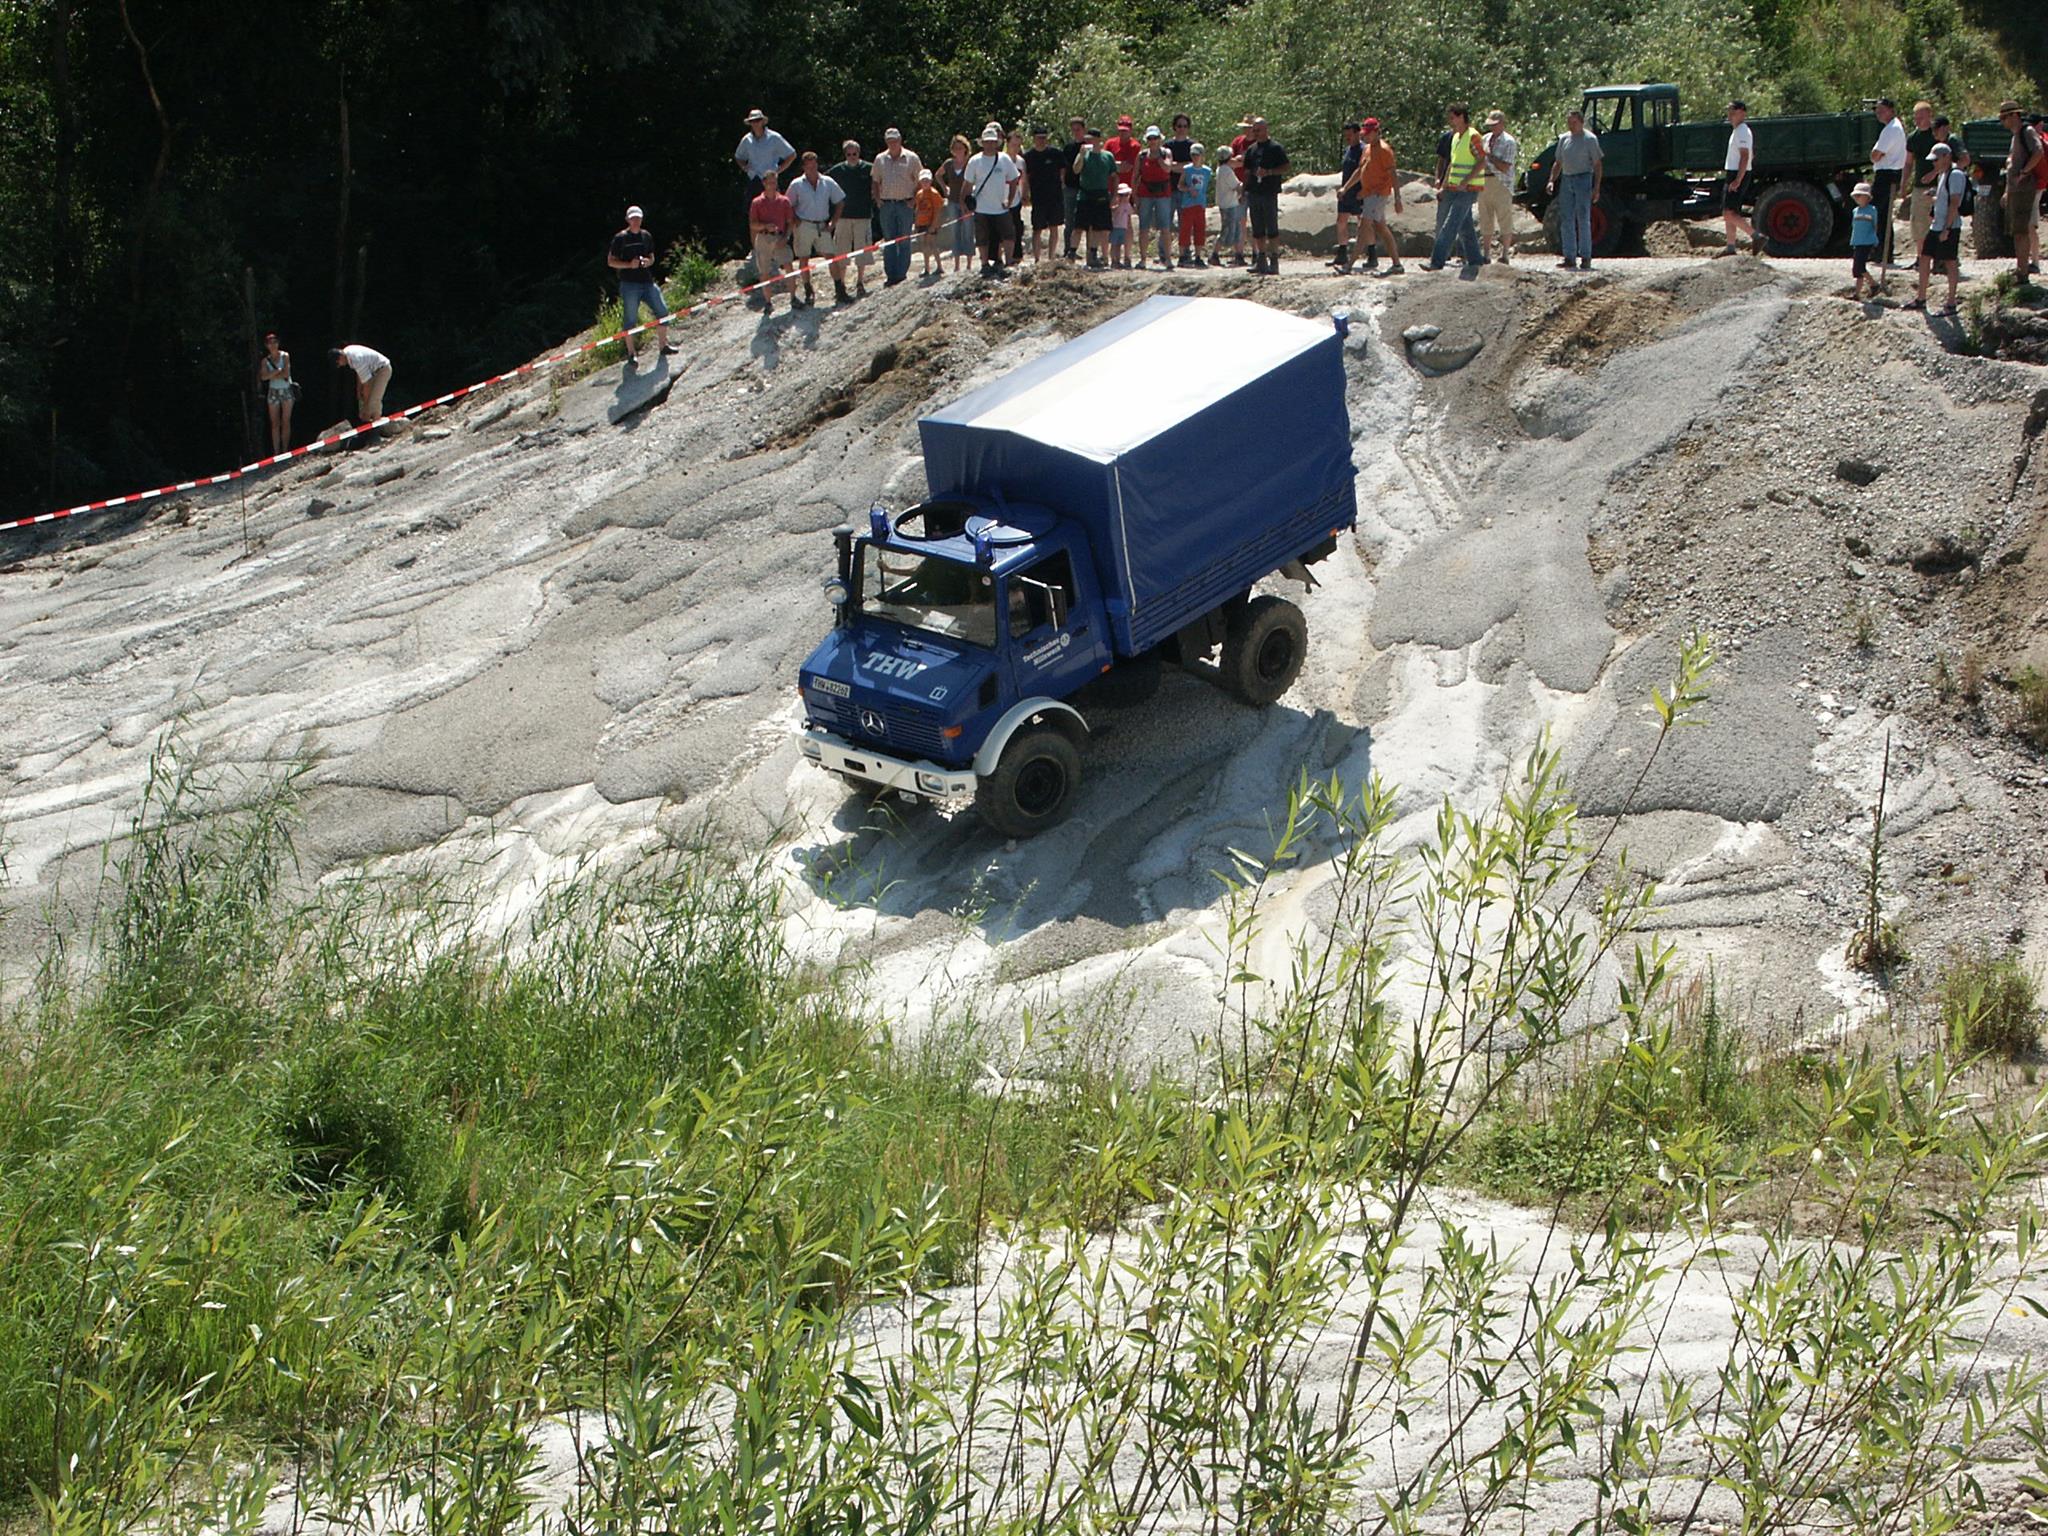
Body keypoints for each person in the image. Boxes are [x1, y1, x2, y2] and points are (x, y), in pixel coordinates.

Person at [607, 204, 680, 360]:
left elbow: (652, 256)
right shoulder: (620, 238)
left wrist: (648, 262)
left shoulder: (646, 236)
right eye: (633, 218)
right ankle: (631, 353)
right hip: (629, 284)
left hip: (647, 281)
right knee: (630, 319)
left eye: (638, 218)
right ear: (627, 220)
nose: (636, 221)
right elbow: (611, 261)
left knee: (662, 311)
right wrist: (629, 265)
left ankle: (663, 345)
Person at [1424, 103, 1485, 272]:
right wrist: (1444, 186)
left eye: (1452, 117)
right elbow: (1452, 164)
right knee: (1465, 228)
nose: (1450, 121)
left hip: (1468, 189)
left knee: (1451, 224)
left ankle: (1436, 262)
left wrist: (1466, 180)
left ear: (1461, 117)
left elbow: (1482, 161)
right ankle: (1476, 260)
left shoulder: (1473, 136)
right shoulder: (1456, 137)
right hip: (1453, 188)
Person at [1906, 141, 1966, 314]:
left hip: (1948, 226)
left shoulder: (1955, 175)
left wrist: (1947, 228)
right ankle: (1921, 298)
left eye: (1936, 160)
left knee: (1950, 262)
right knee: (1925, 257)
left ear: (1947, 157)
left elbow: (1954, 203)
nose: (1934, 163)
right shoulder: (1943, 175)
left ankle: (1951, 303)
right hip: (1937, 225)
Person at [1545, 108, 1602, 271]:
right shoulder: (1564, 139)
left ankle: (1586, 256)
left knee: (1583, 218)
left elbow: (1598, 165)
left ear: (1581, 122)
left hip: (1583, 178)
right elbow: (1558, 163)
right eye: (1569, 122)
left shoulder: (1590, 139)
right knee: (1566, 218)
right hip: (1567, 179)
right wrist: (1551, 180)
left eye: (1574, 122)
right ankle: (1569, 257)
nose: (1571, 125)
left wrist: (1596, 187)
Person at [787, 151, 845, 307]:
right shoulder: (797, 184)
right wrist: (795, 220)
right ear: (804, 167)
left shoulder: (827, 182)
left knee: (831, 256)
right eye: (809, 167)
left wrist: (833, 223)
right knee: (803, 258)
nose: (812, 169)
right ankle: (808, 290)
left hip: (822, 224)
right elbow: (787, 204)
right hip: (804, 224)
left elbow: (840, 201)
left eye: (814, 166)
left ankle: (840, 289)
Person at [964, 126, 1021, 277]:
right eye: (987, 142)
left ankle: (1008, 261)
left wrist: (1009, 200)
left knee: (1008, 234)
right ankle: (984, 264)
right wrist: (965, 203)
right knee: (982, 237)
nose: (990, 145)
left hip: (1000, 207)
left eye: (992, 142)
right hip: (981, 207)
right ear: (982, 143)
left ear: (997, 143)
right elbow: (967, 184)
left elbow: (1014, 179)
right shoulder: (975, 161)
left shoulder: (1004, 159)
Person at [871, 127, 924, 287]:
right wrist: (877, 200)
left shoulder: (912, 158)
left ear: (900, 140)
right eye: (889, 141)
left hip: (905, 204)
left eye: (895, 141)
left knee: (904, 239)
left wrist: (914, 200)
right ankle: (891, 275)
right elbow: (875, 180)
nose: (892, 144)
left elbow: (921, 179)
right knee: (889, 240)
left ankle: (901, 274)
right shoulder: (880, 159)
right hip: (887, 204)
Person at [1350, 117, 1403, 274]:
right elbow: (1360, 170)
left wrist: (1397, 199)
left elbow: (1393, 175)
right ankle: (1397, 264)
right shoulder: (1367, 149)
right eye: (1364, 133)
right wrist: (1346, 188)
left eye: (1368, 133)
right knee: (1381, 228)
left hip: (1378, 194)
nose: (1365, 136)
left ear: (1376, 132)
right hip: (1369, 195)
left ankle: (1349, 264)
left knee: (1363, 227)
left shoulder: (1384, 150)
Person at [2000, 100, 2043, 284]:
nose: (2003, 121)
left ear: (2014, 115)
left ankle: (2023, 272)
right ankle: (2021, 268)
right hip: (2015, 189)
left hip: (2025, 188)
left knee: (2021, 231)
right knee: (2016, 231)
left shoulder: (2027, 131)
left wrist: (2024, 172)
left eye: (2004, 117)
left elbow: (2038, 151)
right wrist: (2007, 191)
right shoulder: (2015, 135)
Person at [826, 139, 875, 299]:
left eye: (855, 154)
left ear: (859, 153)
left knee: (863, 250)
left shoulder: (869, 168)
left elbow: (878, 184)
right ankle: (841, 285)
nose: (852, 157)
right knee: (841, 251)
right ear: (845, 155)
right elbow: (824, 184)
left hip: (863, 215)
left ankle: (860, 282)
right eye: (849, 154)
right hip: (843, 217)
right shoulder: (837, 171)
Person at [1242, 117, 1290, 274]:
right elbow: (1247, 171)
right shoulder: (1251, 150)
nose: (1256, 133)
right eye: (1254, 130)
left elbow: (1286, 167)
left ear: (1266, 129)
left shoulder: (1276, 148)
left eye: (1258, 130)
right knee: (1257, 228)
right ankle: (1261, 260)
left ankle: (1274, 261)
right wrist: (1243, 191)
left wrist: (1269, 172)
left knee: (1272, 228)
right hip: (1254, 193)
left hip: (1269, 192)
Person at [1868, 99, 1908, 268]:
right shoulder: (1891, 128)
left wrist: (1877, 155)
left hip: (1887, 174)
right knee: (1883, 215)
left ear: (1891, 110)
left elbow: (1875, 155)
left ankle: (1882, 252)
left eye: (1882, 110)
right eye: (1877, 111)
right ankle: (1883, 253)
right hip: (1890, 173)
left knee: (1879, 213)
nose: (1879, 114)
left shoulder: (1891, 129)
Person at [748, 173, 795, 312]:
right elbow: (753, 224)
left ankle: (793, 298)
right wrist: (765, 226)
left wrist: (786, 237)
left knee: (788, 265)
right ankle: (768, 302)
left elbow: (790, 222)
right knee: (764, 271)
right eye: (770, 183)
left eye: (774, 182)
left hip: (780, 237)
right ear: (764, 183)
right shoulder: (757, 202)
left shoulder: (784, 201)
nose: (772, 186)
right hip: (764, 237)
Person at [1479, 110, 1519, 265]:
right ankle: (1486, 254)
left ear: (1502, 123)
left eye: (1495, 125)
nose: (1492, 128)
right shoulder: (1485, 139)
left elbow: (1505, 166)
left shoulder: (1509, 141)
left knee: (1504, 218)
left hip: (1501, 182)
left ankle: (1505, 254)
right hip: (1484, 180)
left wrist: (1489, 157)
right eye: (1491, 125)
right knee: (1485, 218)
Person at [734, 108, 796, 208]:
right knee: (752, 211)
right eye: (752, 121)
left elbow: (791, 154)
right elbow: (739, 156)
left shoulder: (774, 137)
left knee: (774, 209)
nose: (755, 123)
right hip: (754, 180)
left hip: (770, 181)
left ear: (762, 121)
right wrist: (745, 167)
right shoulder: (747, 140)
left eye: (758, 120)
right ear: (750, 123)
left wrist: (778, 170)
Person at [1023, 125, 1068, 263]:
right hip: (1038, 197)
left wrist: (1062, 183)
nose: (1041, 140)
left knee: (1054, 227)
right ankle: (1037, 259)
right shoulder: (1029, 156)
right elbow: (1026, 177)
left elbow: (1063, 170)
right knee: (1037, 228)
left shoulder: (1055, 153)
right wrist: (1026, 193)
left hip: (1055, 196)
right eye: (1039, 138)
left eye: (1043, 138)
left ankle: (1051, 257)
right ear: (1034, 138)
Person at [1074, 127, 1116, 269]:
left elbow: (1114, 176)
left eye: (1091, 139)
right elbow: (1076, 170)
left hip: (1101, 194)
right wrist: (1081, 155)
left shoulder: (1107, 156)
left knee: (1098, 227)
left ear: (1098, 140)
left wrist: (1114, 195)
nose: (1089, 141)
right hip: (1085, 195)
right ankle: (1072, 253)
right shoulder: (1083, 155)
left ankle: (1093, 254)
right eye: (1087, 139)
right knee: (1079, 226)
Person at [1134, 125, 1176, 268]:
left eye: (1155, 138)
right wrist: (1135, 196)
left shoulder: (1166, 153)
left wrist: (1158, 158)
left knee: (1165, 227)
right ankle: (1143, 259)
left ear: (1160, 139)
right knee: (1144, 227)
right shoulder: (1141, 156)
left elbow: (1168, 168)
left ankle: (1168, 259)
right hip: (1145, 193)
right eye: (1150, 138)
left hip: (1163, 194)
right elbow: (1135, 176)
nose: (1152, 141)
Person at [1719, 101, 1756, 256]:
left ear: (1742, 113)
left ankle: (1756, 236)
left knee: (1728, 213)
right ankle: (1730, 247)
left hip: (1737, 173)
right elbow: (1751, 155)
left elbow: (1745, 155)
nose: (1730, 115)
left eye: (1733, 112)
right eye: (1729, 112)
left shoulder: (1742, 131)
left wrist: (1738, 179)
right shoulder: (1738, 131)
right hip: (1735, 172)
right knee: (1730, 211)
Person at [1904, 102, 1939, 255]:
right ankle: (1921, 257)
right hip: (1919, 186)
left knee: (1938, 221)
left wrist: (1935, 173)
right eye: (1916, 118)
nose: (1918, 121)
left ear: (1930, 116)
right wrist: (1904, 183)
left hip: (1937, 185)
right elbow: (1908, 163)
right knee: (1918, 222)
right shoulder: (1913, 138)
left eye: (1921, 117)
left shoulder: (1937, 135)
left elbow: (1947, 159)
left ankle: (1939, 258)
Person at [939, 134, 976, 271]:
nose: (958, 151)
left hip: (967, 201)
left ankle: (969, 264)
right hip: (953, 200)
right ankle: (956, 264)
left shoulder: (970, 163)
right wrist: (944, 188)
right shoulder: (949, 163)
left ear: (965, 149)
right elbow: (938, 175)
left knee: (968, 231)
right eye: (955, 148)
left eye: (960, 148)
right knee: (955, 231)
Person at [1331, 122, 1365, 273]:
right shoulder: (1348, 150)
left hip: (1359, 191)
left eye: (1350, 135)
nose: (1348, 138)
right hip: (1346, 191)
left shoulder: (1364, 150)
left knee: (1363, 222)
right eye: (1346, 136)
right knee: (1341, 221)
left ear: (1358, 133)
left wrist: (1364, 190)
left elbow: (1362, 171)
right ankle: (1342, 253)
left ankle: (1371, 253)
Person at [330, 343, 392, 424]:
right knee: (365, 400)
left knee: (373, 399)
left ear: (340, 357)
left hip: (383, 369)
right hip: (372, 371)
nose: (340, 366)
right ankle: (368, 420)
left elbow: (367, 384)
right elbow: (360, 375)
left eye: (338, 364)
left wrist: (366, 404)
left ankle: (376, 422)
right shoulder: (348, 352)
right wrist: (359, 392)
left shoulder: (356, 359)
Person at [258, 332, 294, 453]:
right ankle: (276, 452)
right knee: (274, 423)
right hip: (273, 392)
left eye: (275, 342)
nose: (273, 345)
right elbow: (263, 377)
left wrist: (272, 375)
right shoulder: (265, 361)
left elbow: (286, 373)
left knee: (286, 421)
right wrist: (277, 371)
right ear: (266, 345)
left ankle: (285, 449)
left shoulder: (285, 356)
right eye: (270, 343)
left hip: (286, 390)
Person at [1177, 143, 1212, 266]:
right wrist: (1188, 189)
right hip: (1188, 204)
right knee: (1185, 230)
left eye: (1197, 154)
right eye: (1193, 155)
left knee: (1200, 230)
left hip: (1200, 204)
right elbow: (1180, 185)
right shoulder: (1187, 169)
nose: (1195, 157)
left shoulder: (1207, 171)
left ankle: (1198, 256)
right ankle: (1182, 256)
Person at [1061, 116, 1089, 258]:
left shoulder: (1089, 147)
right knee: (1069, 221)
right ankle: (1068, 250)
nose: (1076, 132)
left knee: (1088, 221)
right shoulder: (1068, 147)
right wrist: (1063, 183)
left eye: (1078, 129)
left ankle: (1091, 252)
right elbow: (1064, 167)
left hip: (1087, 188)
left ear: (1084, 129)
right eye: (1073, 130)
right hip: (1071, 186)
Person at [1848, 181, 1881, 301]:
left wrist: (1875, 239)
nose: (1857, 198)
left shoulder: (1872, 210)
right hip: (1857, 241)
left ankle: (1873, 284)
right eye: (1855, 196)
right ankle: (1857, 293)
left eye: (1859, 195)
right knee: (1857, 269)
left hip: (1867, 242)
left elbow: (1875, 225)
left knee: (1860, 266)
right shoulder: (1855, 211)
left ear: (1867, 197)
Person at [1215, 144, 1246, 266]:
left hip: (1229, 203)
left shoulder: (1221, 169)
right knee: (1226, 230)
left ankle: (1238, 255)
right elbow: (1237, 186)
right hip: (1229, 205)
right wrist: (1246, 184)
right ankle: (1214, 254)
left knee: (1237, 230)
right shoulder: (1227, 171)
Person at [1003, 127, 1028, 264]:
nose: (1016, 148)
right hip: (1000, 200)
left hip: (1015, 200)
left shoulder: (1020, 161)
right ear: (1007, 144)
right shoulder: (1000, 159)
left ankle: (1016, 255)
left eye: (1018, 145)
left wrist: (1024, 195)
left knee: (1017, 228)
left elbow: (1023, 180)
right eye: (1013, 145)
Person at [914, 169, 945, 275]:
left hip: (931, 223)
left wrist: (934, 225)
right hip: (921, 223)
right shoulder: (919, 194)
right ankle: (927, 268)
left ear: (931, 181)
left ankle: (939, 266)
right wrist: (916, 223)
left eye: (927, 181)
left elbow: (938, 210)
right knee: (924, 245)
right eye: (923, 181)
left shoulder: (934, 194)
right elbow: (917, 209)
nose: (925, 183)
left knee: (932, 244)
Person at [1106, 115, 1143, 186]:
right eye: (1120, 130)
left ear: (1130, 130)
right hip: (1111, 185)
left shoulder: (1135, 146)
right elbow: (1104, 164)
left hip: (1128, 186)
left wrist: (1111, 165)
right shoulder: (1109, 143)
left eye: (1125, 131)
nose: (1122, 133)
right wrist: (1117, 165)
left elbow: (1126, 168)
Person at [1110, 180, 1134, 268]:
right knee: (1114, 245)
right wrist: (1117, 205)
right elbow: (1113, 212)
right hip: (1115, 227)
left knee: (1119, 245)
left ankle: (1118, 260)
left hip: (1123, 228)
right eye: (1121, 195)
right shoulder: (1116, 205)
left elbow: (1130, 214)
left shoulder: (1128, 205)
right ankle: (1113, 260)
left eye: (1126, 195)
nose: (1124, 197)